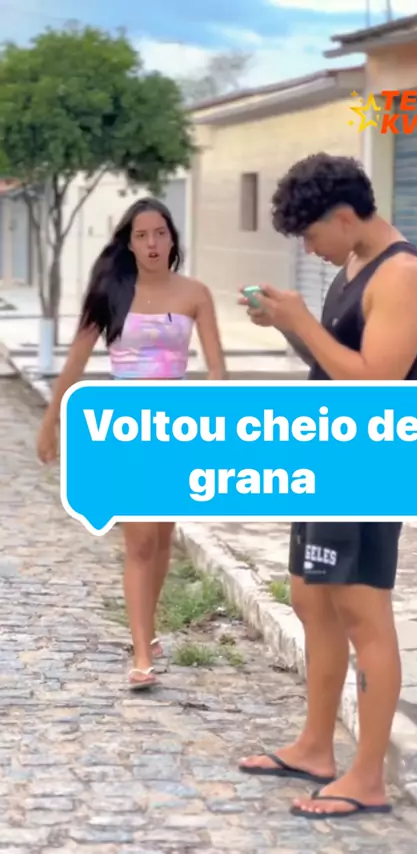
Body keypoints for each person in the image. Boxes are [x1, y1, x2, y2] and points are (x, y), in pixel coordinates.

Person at [237, 153, 417, 820]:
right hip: (328, 455)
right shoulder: (353, 264)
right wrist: (289, 324)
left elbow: (378, 382)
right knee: (310, 597)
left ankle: (368, 777)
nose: (309, 249)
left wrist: (300, 322)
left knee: (361, 611)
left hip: (373, 464)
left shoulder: (404, 275)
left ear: (346, 217)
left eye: (312, 234)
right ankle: (316, 747)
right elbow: (337, 365)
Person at [37, 197, 226, 690]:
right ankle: (142, 655)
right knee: (140, 539)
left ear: (172, 238)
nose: (152, 243)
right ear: (130, 243)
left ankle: (149, 628)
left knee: (162, 537)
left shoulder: (195, 294)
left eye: (160, 233)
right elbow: (76, 361)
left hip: (179, 431)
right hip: (127, 431)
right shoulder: (111, 292)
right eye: (142, 236)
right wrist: (51, 420)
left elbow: (217, 369)